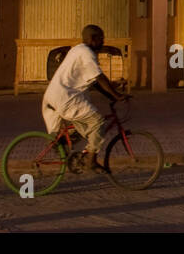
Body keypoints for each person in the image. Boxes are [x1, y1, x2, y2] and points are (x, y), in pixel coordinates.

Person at [42, 25, 127, 171]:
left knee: (86, 126)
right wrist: (117, 95)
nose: (103, 42)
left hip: (55, 96)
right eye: (101, 39)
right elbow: (100, 78)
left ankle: (63, 145)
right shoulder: (86, 52)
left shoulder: (78, 50)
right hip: (66, 98)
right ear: (93, 39)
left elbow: (95, 82)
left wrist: (111, 95)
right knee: (98, 122)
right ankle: (91, 160)